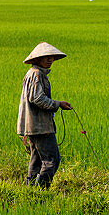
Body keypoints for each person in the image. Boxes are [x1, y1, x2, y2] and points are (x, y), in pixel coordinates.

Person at [17, 42, 72, 187]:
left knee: (36, 160)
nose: (50, 59)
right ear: (37, 59)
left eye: (51, 57)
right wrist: (57, 104)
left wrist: (57, 104)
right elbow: (36, 98)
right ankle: (41, 190)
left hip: (32, 126)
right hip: (40, 126)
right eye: (46, 57)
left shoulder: (33, 73)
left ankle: (30, 190)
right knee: (51, 159)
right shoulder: (36, 75)